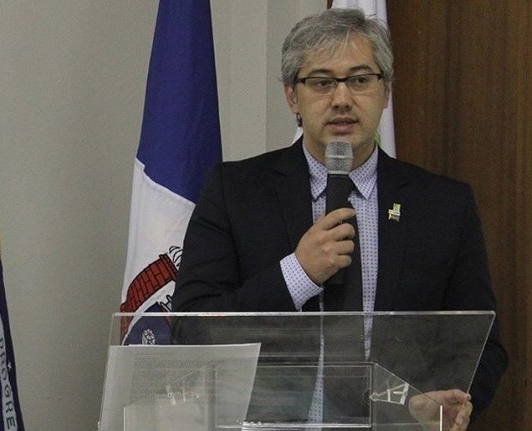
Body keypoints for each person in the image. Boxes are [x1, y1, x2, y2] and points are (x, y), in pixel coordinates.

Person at [172, 7, 507, 431]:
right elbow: (191, 331)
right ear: (292, 96)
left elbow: (481, 344)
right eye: (322, 82)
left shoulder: (443, 205)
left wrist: (442, 402)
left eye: (360, 80)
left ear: (386, 91)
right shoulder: (235, 191)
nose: (342, 99)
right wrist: (298, 274)